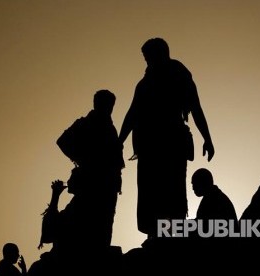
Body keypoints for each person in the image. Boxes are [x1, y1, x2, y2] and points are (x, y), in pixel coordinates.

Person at [119, 37, 215, 238]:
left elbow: (196, 108)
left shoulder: (179, 76)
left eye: (148, 57)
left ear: (160, 54)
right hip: (149, 147)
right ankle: (154, 237)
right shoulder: (144, 84)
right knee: (150, 195)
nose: (147, 62)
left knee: (172, 192)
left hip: (171, 144)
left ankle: (171, 239)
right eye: (145, 59)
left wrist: (207, 138)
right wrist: (119, 142)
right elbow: (133, 113)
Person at [55, 89, 125, 250]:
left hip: (108, 183)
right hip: (91, 182)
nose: (109, 107)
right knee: (89, 221)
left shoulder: (108, 126)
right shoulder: (86, 123)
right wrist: (82, 159)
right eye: (107, 104)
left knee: (104, 223)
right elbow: (62, 141)